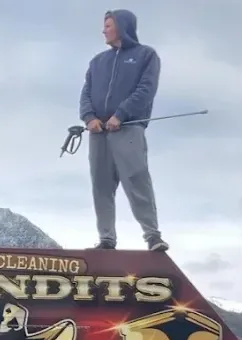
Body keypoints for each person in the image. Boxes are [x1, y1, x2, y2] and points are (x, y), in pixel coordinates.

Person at [79, 9, 168, 252]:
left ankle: (152, 236)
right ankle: (106, 239)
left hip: (128, 128)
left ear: (122, 26)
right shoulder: (97, 62)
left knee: (136, 179)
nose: (103, 30)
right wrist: (89, 118)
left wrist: (121, 114)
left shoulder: (146, 56)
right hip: (98, 133)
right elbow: (85, 93)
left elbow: (146, 89)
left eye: (108, 25)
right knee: (101, 185)